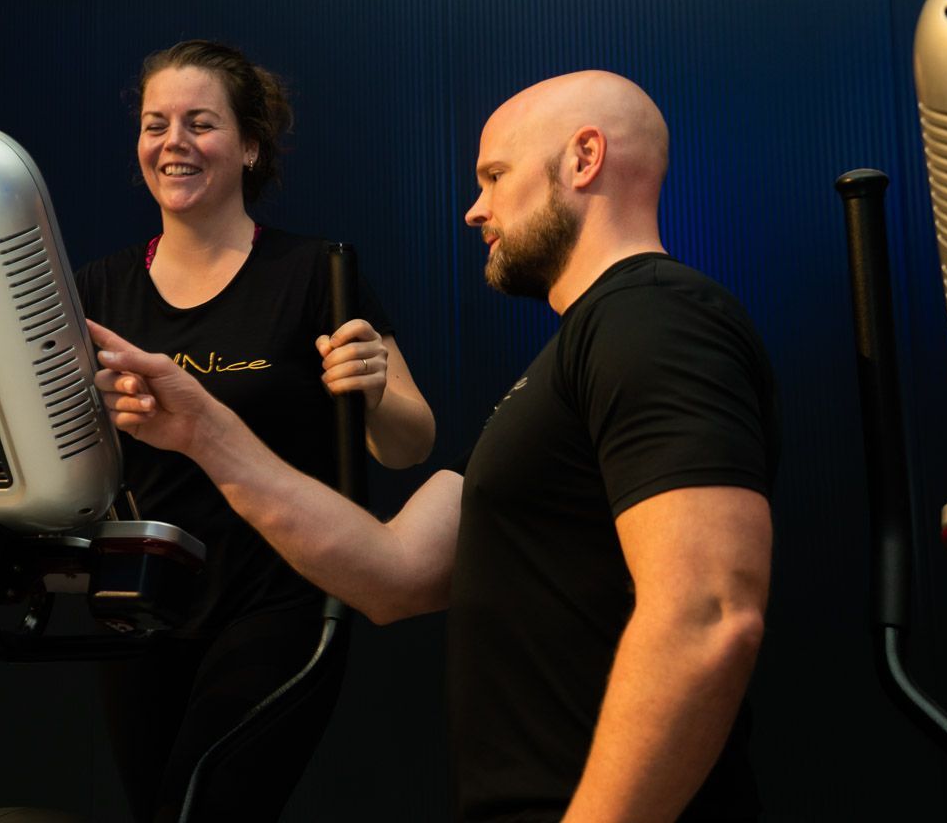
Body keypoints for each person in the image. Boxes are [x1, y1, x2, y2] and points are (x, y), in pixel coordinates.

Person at [90, 70, 777, 822]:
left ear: (584, 160)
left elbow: (708, 616)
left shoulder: (654, 321)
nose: (474, 208)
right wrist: (202, 431)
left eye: (494, 175)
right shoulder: (568, 363)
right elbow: (393, 576)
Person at [74, 40, 436, 822]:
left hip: (280, 602)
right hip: (143, 605)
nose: (172, 142)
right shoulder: (98, 288)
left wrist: (373, 390)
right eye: (154, 124)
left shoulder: (317, 273)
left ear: (249, 145)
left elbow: (411, 445)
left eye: (199, 123)